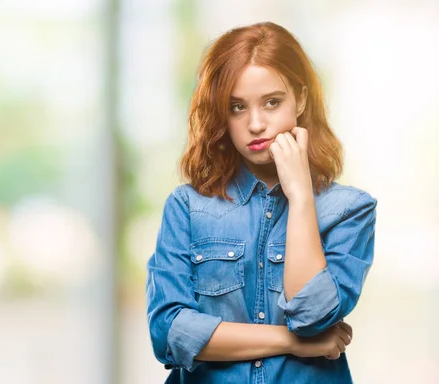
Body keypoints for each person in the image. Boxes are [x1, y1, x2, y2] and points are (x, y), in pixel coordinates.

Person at [145, 21, 377, 383]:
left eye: (272, 102)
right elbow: (170, 333)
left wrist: (300, 196)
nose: (255, 124)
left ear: (299, 99)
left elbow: (312, 316)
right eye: (237, 107)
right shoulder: (187, 208)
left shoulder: (349, 211)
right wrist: (294, 343)